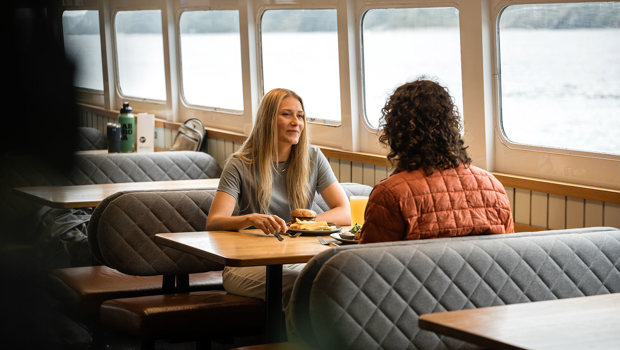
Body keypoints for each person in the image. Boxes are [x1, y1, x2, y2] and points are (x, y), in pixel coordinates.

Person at [206, 88, 350, 302]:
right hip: (248, 264)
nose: (296, 122)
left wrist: (304, 224)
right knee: (308, 284)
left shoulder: (314, 157)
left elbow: (344, 213)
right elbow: (213, 222)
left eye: (300, 115)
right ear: (267, 120)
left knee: (336, 280)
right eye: (286, 114)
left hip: (295, 258)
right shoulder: (239, 164)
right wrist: (250, 219)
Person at [360, 79, 514, 244]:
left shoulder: (390, 194)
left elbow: (370, 263)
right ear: (451, 125)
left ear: (396, 131)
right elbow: (507, 255)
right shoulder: (493, 186)